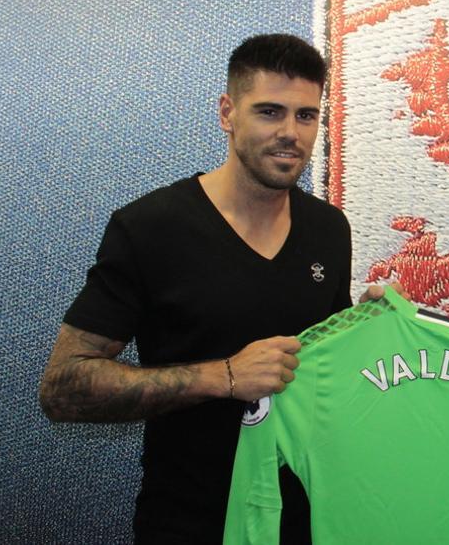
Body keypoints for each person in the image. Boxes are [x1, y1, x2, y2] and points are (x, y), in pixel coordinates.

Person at [39, 34, 357, 543]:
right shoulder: (149, 228)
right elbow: (62, 388)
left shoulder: (328, 229)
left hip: (304, 518)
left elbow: (322, 365)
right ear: (227, 112)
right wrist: (223, 376)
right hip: (189, 520)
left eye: (306, 116)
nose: (290, 133)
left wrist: (369, 327)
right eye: (270, 112)